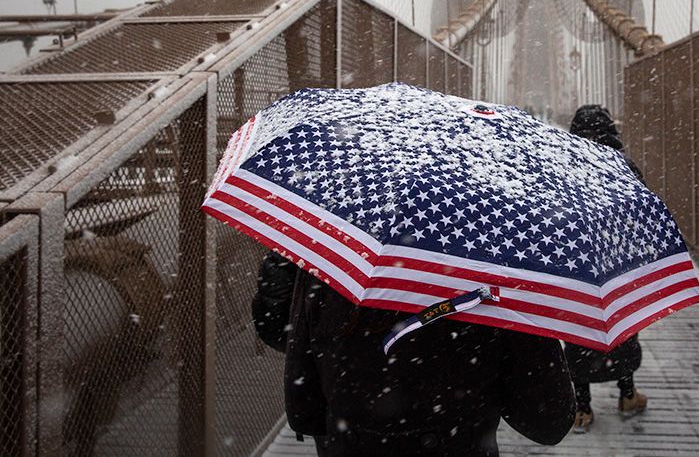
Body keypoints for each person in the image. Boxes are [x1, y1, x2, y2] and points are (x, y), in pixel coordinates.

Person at [253, 253, 576, 456]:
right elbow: (548, 420)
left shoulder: (331, 248)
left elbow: (278, 330)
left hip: (347, 441)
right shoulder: (495, 268)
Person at [564, 104, 648, 432]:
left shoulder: (563, 166)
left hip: (578, 262)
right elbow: (642, 213)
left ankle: (581, 407)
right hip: (620, 262)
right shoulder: (624, 168)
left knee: (578, 328)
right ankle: (627, 394)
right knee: (622, 324)